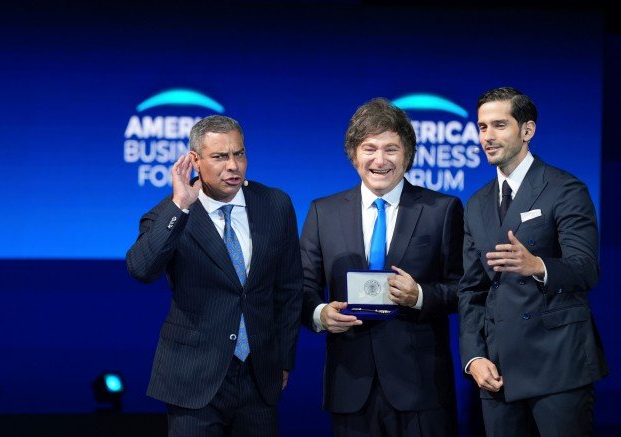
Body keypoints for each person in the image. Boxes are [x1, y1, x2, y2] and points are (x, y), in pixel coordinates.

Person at [126, 115, 302, 436]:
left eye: (239, 154)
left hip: (259, 377)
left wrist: (283, 359)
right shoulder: (170, 214)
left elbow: (289, 289)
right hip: (194, 377)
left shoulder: (275, 204)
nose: (233, 166)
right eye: (220, 156)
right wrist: (180, 205)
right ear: (195, 161)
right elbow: (141, 269)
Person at [301, 98, 463, 437]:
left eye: (391, 149)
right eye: (369, 149)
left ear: (408, 155)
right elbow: (301, 287)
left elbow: (464, 288)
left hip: (420, 387)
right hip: (349, 384)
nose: (380, 160)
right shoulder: (322, 212)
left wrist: (420, 295)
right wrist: (320, 314)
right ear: (353, 154)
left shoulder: (442, 210)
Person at [458, 87, 608, 436]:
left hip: (558, 366)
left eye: (499, 125)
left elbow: (587, 268)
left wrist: (538, 266)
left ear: (527, 130)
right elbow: (471, 291)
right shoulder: (476, 203)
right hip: (498, 372)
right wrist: (474, 357)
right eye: (482, 127)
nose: (487, 137)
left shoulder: (565, 188)